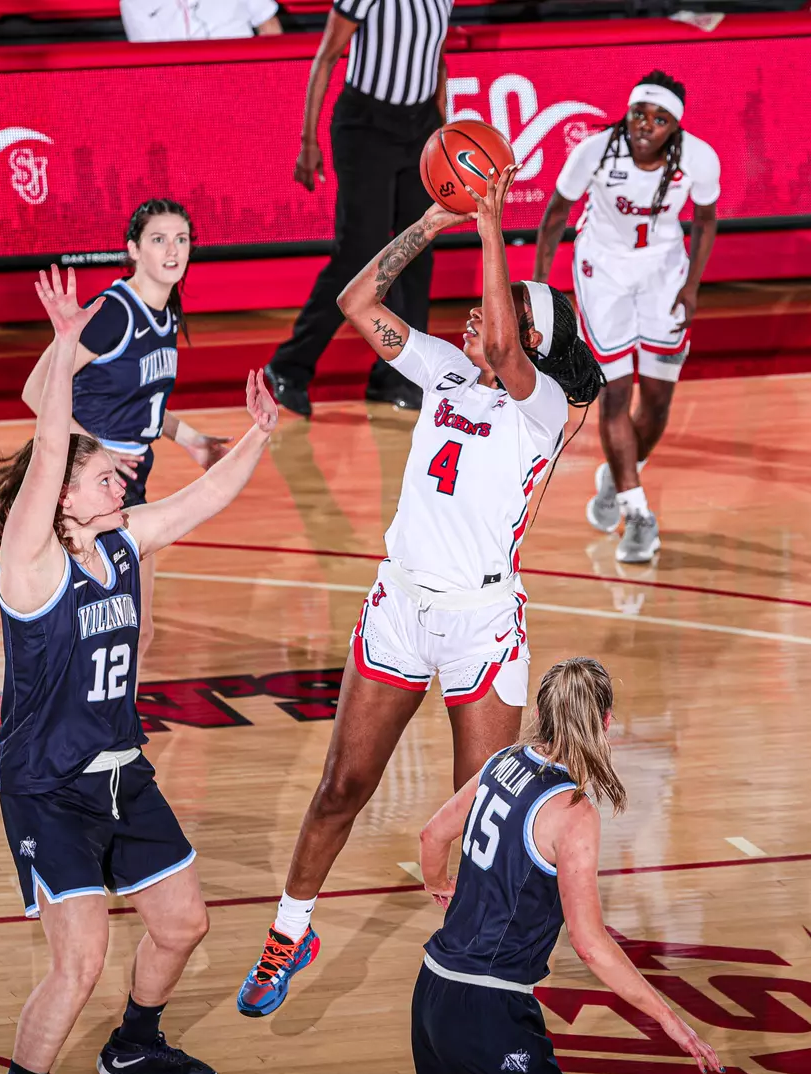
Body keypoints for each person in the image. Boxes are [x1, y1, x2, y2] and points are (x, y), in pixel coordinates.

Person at [236, 167, 604, 1018]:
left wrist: (491, 225)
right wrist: (435, 221)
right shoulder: (440, 368)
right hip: (400, 606)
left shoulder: (540, 406)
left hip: (481, 626)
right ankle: (292, 930)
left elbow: (508, 351)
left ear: (537, 346)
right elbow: (357, 299)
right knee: (340, 786)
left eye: (507, 304)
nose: (483, 310)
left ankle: (476, 974)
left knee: (483, 823)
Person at [0, 265, 278, 1074]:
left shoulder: (122, 541)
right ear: (63, 498)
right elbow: (49, 447)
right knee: (78, 965)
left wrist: (257, 434)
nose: (124, 480)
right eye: (105, 474)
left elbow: (207, 498)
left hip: (120, 771)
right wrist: (68, 345)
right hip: (47, 786)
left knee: (185, 924)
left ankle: (135, 1044)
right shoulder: (31, 566)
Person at [412, 657, 723, 1074]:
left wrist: (438, 884)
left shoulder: (501, 761)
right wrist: (670, 1020)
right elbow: (591, 945)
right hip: (489, 1008)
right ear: (606, 722)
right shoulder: (574, 812)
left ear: (539, 715)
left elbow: (432, 835)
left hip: (432, 993)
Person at [22, 199, 229, 670]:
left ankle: (114, 736)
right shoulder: (114, 313)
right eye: (159, 240)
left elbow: (144, 402)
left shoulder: (167, 313)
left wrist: (193, 441)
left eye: (182, 239)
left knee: (136, 630)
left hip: (126, 487)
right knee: (82, 630)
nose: (173, 250)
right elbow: (36, 391)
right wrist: (99, 456)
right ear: (133, 249)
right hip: (77, 490)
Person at [533, 70, 720, 564]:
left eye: (659, 119)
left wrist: (692, 285)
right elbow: (555, 213)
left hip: (663, 272)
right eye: (639, 113)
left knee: (657, 402)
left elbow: (705, 219)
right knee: (615, 392)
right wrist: (539, 285)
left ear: (674, 128)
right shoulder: (595, 151)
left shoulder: (699, 159)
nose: (645, 125)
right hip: (603, 271)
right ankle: (637, 512)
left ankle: (618, 473)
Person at [261, 0, 456, 417]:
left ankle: (398, 377)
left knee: (417, 250)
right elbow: (327, 54)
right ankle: (288, 366)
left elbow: (436, 60)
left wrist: (440, 131)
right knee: (359, 254)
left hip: (419, 125)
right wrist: (307, 140)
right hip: (366, 125)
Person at [121, 0, 281, 41]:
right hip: (181, 93)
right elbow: (148, 68)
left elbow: (269, 27)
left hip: (243, 81)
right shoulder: (133, 3)